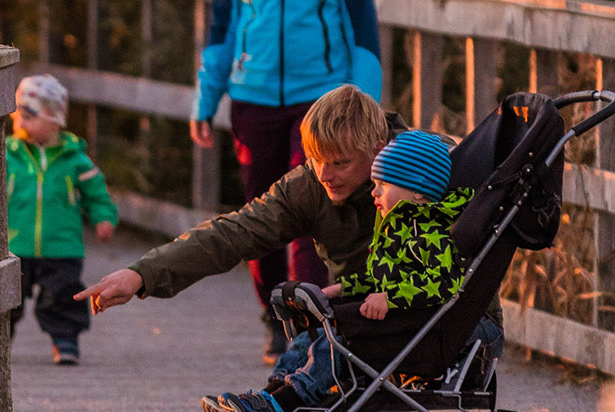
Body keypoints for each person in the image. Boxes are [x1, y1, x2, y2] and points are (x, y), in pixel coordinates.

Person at [191, 0, 383, 358]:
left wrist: (368, 115)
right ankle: (276, 318)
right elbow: (222, 24)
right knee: (261, 213)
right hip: (252, 98)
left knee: (312, 208)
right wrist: (206, 99)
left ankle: (312, 322)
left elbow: (362, 22)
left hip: (318, 99)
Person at [199, 129, 501, 412]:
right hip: (403, 324)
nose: (374, 192)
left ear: (418, 191)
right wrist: (337, 290)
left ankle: (287, 402)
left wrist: (390, 298)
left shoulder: (432, 233)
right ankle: (272, 396)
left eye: (382, 184)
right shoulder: (399, 227)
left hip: (421, 329)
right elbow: (376, 277)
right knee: (311, 336)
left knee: (334, 344)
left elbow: (442, 284)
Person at [81, 84, 400, 339]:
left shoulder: (426, 171)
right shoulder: (308, 187)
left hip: (413, 311)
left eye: (339, 163)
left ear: (377, 148)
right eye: (316, 160)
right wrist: (140, 274)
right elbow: (233, 234)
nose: (324, 176)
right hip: (357, 315)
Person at [7, 72, 118, 365]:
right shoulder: (8, 155)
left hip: (62, 246)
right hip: (13, 244)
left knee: (62, 295)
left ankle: (65, 341)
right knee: (5, 301)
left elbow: (96, 194)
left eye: (29, 116)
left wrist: (104, 218)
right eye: (18, 115)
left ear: (53, 118)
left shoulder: (75, 160)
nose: (20, 123)